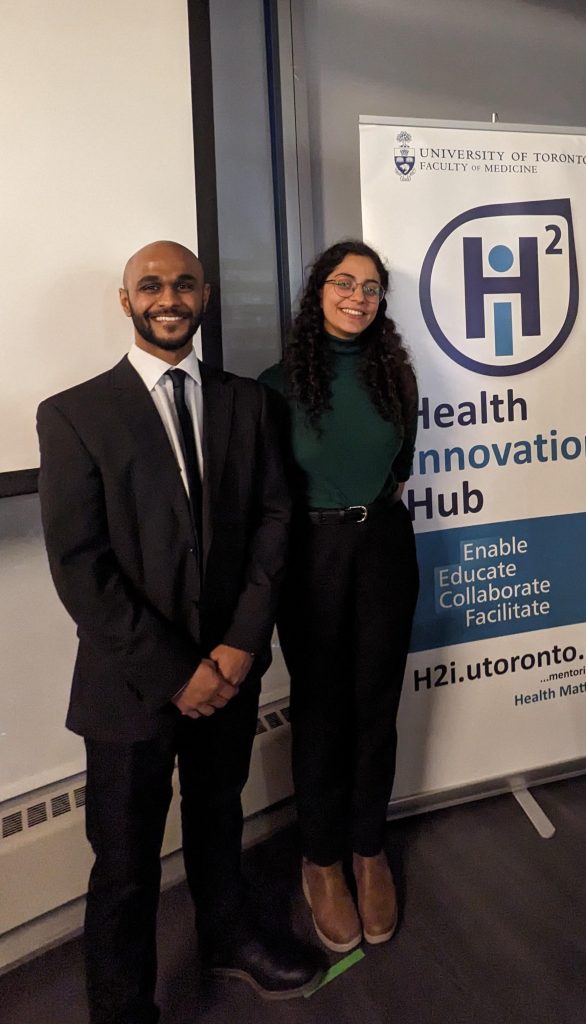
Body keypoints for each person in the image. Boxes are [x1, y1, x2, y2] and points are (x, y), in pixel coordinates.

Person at [37, 241, 324, 1024]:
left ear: (205, 296)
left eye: (185, 284)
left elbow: (272, 522)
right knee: (124, 862)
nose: (170, 297)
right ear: (125, 300)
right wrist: (176, 672)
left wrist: (237, 646)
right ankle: (121, 1006)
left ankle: (226, 940)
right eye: (152, 285)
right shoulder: (72, 414)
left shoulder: (247, 404)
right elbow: (79, 566)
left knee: (217, 820)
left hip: (231, 672)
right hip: (128, 685)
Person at [260, 239, 419, 954]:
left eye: (372, 287)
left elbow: (400, 467)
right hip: (311, 558)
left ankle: (367, 849)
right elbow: (268, 494)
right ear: (317, 291)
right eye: (344, 282)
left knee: (377, 707)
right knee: (322, 712)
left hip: (384, 547)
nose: (358, 296)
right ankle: (321, 860)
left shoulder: (397, 379)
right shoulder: (276, 383)